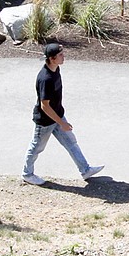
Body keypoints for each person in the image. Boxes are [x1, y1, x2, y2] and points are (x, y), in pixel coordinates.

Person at [22, 43, 105, 186]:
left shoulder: (56, 69)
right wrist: (62, 123)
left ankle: (85, 170)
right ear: (52, 59)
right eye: (60, 55)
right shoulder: (45, 79)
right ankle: (27, 174)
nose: (63, 56)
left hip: (58, 116)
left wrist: (61, 120)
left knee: (71, 142)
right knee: (37, 147)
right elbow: (45, 106)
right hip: (45, 122)